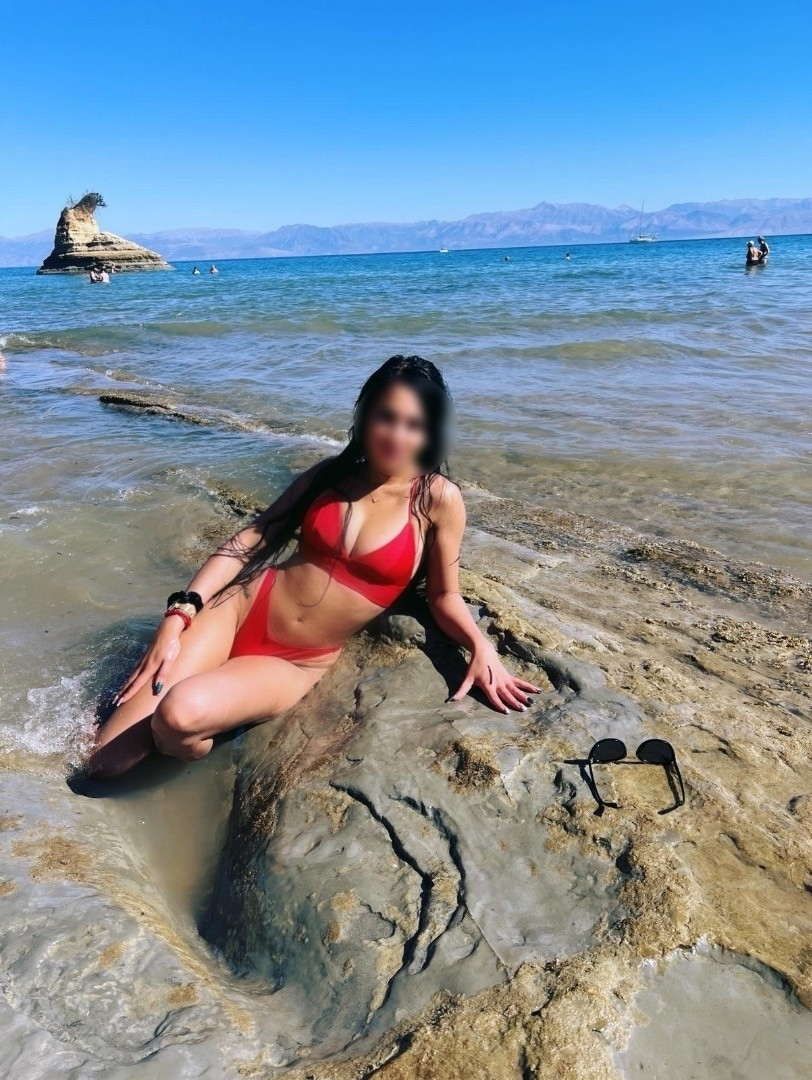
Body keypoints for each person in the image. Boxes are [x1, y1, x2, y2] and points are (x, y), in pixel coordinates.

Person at [86, 356, 540, 778]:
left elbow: (443, 594)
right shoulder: (329, 475)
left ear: (429, 432)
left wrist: (480, 646)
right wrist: (179, 615)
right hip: (239, 609)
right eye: (386, 417)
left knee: (177, 716)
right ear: (365, 415)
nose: (396, 435)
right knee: (103, 763)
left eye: (413, 424)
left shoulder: (437, 498)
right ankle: (196, 709)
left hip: (295, 659)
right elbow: (251, 539)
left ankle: (195, 738)